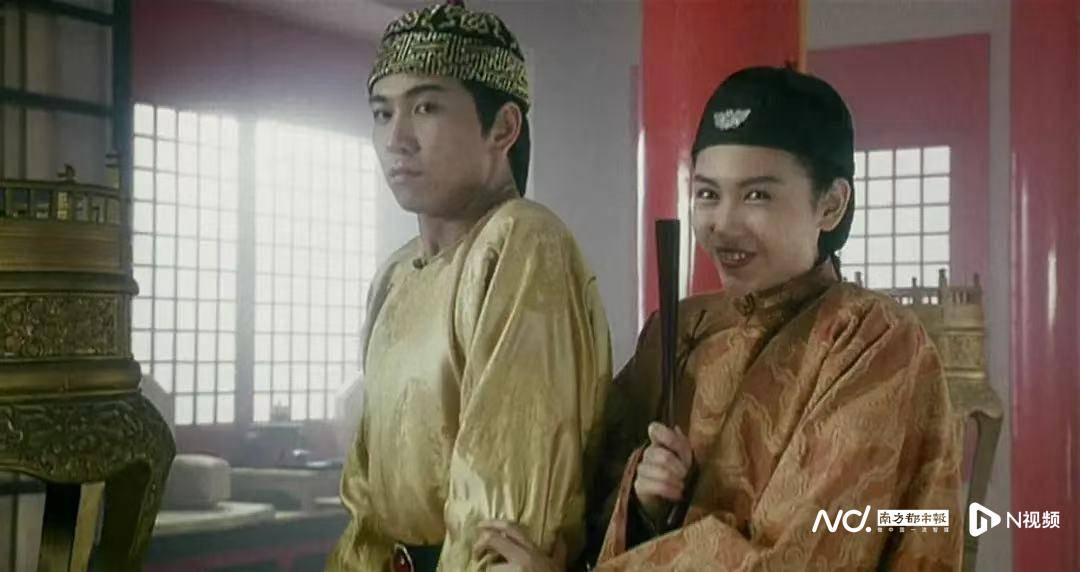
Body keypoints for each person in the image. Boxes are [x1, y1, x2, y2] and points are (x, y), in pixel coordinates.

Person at [477, 66, 961, 571]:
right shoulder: (680, 330)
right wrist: (644, 508)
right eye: (708, 193)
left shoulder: (873, 340)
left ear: (831, 205)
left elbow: (801, 554)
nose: (722, 225)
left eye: (757, 195)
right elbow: (590, 500)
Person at [327, 2, 612, 570]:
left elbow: (503, 520)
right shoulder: (395, 274)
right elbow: (363, 496)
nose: (396, 139)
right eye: (382, 113)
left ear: (503, 127)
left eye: (426, 107)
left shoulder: (521, 241)